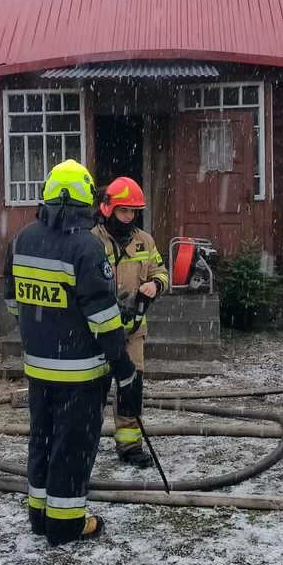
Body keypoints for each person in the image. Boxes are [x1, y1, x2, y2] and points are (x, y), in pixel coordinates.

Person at [3, 159, 143, 545]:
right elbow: (102, 318)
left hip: (38, 368)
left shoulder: (21, 240)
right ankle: (65, 524)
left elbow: (14, 305)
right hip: (80, 373)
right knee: (73, 446)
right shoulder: (86, 247)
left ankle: (39, 513)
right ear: (87, 202)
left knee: (42, 439)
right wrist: (125, 369)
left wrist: (48, 327)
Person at [92, 176, 170, 467]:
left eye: (134, 211)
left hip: (133, 332)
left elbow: (162, 272)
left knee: (131, 390)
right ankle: (86, 440)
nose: (130, 217)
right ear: (109, 209)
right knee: (95, 391)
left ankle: (129, 446)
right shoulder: (91, 240)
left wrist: (155, 286)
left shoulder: (144, 241)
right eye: (125, 210)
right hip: (98, 334)